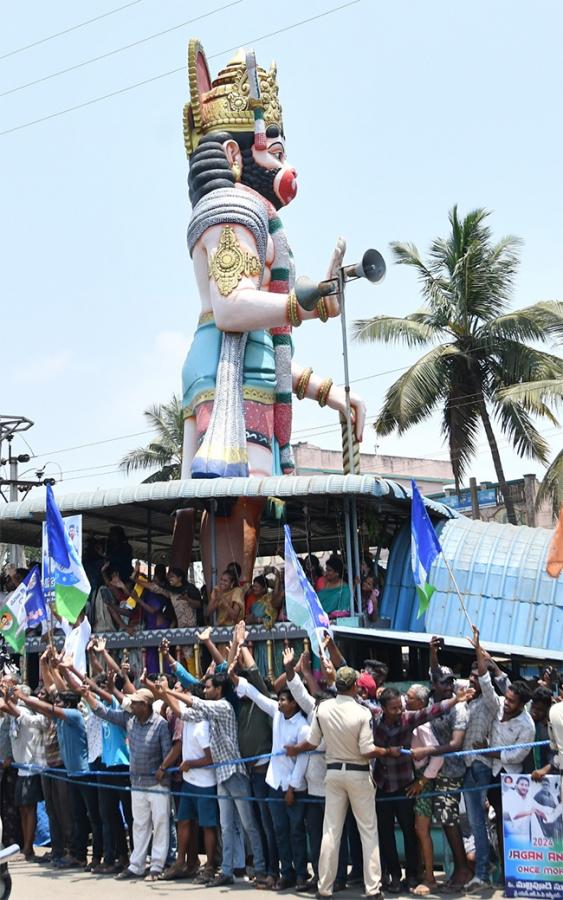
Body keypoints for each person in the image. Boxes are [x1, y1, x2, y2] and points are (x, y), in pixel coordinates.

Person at [287, 666, 391, 900]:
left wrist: (295, 749)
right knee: (368, 831)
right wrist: (386, 751)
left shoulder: (322, 709)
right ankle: (373, 889)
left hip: (333, 774)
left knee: (330, 832)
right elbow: (366, 750)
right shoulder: (362, 713)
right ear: (355, 686)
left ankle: (325, 888)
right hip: (358, 773)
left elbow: (312, 743)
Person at [159, 671, 269, 888]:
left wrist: (168, 691)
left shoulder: (224, 706)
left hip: (235, 773)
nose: (207, 690)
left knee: (248, 824)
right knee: (226, 825)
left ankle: (261, 868)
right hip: (221, 775)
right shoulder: (211, 711)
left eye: (209, 687)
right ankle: (226, 871)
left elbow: (196, 702)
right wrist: (162, 694)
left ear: (219, 690)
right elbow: (185, 713)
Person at [372, 683, 472, 893]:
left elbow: (431, 711)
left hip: (404, 784)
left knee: (411, 832)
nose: (400, 710)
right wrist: (385, 751)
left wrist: (455, 700)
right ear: (383, 708)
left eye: (401, 706)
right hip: (382, 783)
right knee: (385, 833)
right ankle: (394, 875)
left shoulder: (408, 719)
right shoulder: (373, 720)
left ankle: (411, 875)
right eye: (394, 708)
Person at [231, 663, 310, 890]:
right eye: (280, 699)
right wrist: (234, 677)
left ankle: (302, 874)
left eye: (284, 700)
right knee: (279, 831)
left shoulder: (302, 727)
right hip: (275, 783)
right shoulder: (276, 713)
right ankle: (287, 873)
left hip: (293, 788)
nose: (280, 702)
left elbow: (302, 760)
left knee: (296, 832)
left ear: (294, 703)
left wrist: (292, 789)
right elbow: (255, 694)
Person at [85, 685, 172, 882]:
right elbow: (104, 712)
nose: (131, 705)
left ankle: (156, 866)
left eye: (135, 703)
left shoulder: (160, 724)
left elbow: (167, 753)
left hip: (157, 784)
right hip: (137, 782)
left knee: (160, 825)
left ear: (145, 705)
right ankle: (137, 865)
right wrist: (87, 695)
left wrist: (163, 769)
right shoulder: (129, 720)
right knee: (139, 825)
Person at [472, 626, 535, 876]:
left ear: (521, 705)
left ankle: (520, 869)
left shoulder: (526, 726)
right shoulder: (497, 704)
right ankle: (504, 868)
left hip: (514, 778)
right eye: (505, 698)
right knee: (497, 820)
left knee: (516, 824)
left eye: (510, 702)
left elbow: (514, 756)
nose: (505, 703)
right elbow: (487, 683)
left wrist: (489, 751)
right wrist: (478, 650)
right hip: (494, 774)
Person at [412, 663, 472, 891]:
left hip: (452, 770)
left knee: (448, 819)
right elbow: (432, 667)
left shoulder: (459, 709)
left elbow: (456, 744)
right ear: (434, 685)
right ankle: (459, 868)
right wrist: (432, 652)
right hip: (435, 769)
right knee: (444, 819)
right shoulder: (431, 703)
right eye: (444, 682)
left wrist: (426, 751)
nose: (450, 686)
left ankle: (463, 869)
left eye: (451, 682)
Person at [404, 684, 443, 896]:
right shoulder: (410, 719)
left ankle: (430, 879)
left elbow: (438, 755)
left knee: (422, 829)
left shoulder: (423, 726)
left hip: (423, 780)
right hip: (414, 777)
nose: (405, 700)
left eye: (409, 698)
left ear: (420, 703)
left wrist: (423, 781)